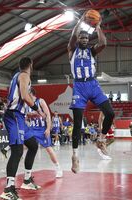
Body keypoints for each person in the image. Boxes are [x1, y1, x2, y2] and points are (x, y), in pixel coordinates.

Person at [67, 13, 115, 173]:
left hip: (93, 84)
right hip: (79, 87)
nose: (85, 40)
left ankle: (101, 140)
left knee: (110, 113)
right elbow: (73, 35)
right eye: (82, 38)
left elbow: (103, 42)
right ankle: (75, 157)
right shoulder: (72, 49)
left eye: (87, 38)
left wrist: (98, 27)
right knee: (77, 124)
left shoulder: (92, 51)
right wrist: (80, 22)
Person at [0, 57, 44, 200]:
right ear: (31, 65)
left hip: (19, 116)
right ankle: (8, 188)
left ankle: (27, 180)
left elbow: (21, 96)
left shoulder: (17, 76)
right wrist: (37, 109)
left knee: (32, 145)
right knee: (17, 151)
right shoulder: (24, 76)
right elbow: (25, 96)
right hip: (14, 115)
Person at [26, 97, 63, 178]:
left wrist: (48, 128)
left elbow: (48, 115)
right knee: (22, 145)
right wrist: (29, 115)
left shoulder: (40, 101)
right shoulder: (27, 103)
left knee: (48, 149)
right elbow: (26, 117)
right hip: (32, 129)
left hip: (41, 130)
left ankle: (58, 167)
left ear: (30, 94)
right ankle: (26, 171)